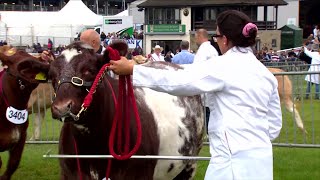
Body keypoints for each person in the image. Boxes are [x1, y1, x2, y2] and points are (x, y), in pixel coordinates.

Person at [109, 10, 282, 179]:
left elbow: (179, 81)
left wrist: (133, 70)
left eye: (217, 36)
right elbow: (274, 126)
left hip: (231, 164)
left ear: (225, 40)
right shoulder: (266, 74)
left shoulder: (223, 66)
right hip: (262, 160)